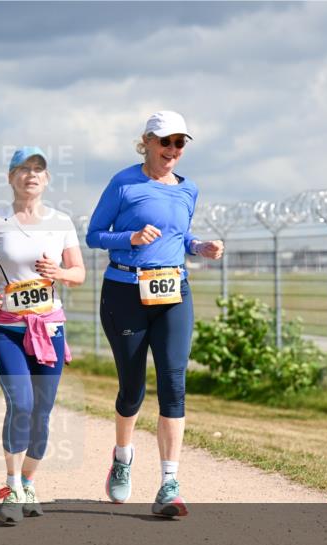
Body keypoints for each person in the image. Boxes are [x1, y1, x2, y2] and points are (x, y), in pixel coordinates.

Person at [86, 111, 223, 517]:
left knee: (174, 382)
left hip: (173, 291)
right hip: (125, 291)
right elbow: (94, 234)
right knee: (132, 389)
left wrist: (201, 248)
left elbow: (181, 237)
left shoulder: (189, 190)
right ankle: (123, 458)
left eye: (179, 143)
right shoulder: (124, 183)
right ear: (146, 141)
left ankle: (169, 483)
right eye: (165, 142)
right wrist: (128, 236)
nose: (172, 151)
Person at [0, 147, 85, 525]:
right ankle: (11, 486)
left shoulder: (61, 222)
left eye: (39, 170)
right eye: (24, 169)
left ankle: (29, 482)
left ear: (47, 180)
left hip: (49, 328)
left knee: (43, 413)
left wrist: (59, 272)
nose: (31, 175)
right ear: (11, 177)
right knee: (22, 405)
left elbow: (78, 273)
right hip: (7, 328)